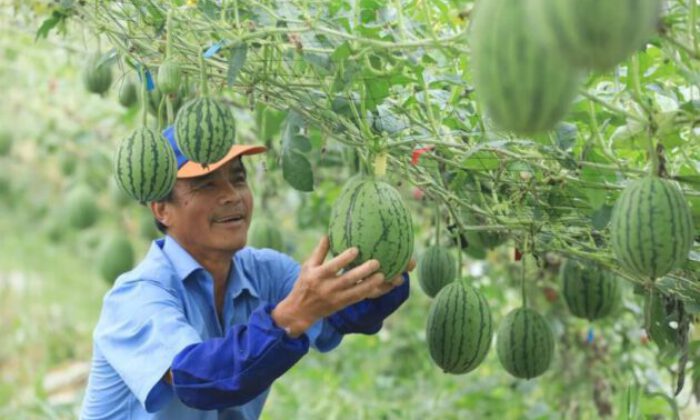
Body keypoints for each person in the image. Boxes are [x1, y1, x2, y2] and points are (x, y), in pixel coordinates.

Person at [80, 126, 414, 419]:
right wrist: (291, 316)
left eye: (238, 179)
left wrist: (381, 280)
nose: (231, 195)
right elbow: (198, 379)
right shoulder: (138, 296)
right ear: (162, 209)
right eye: (206, 185)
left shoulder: (264, 272)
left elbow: (343, 315)